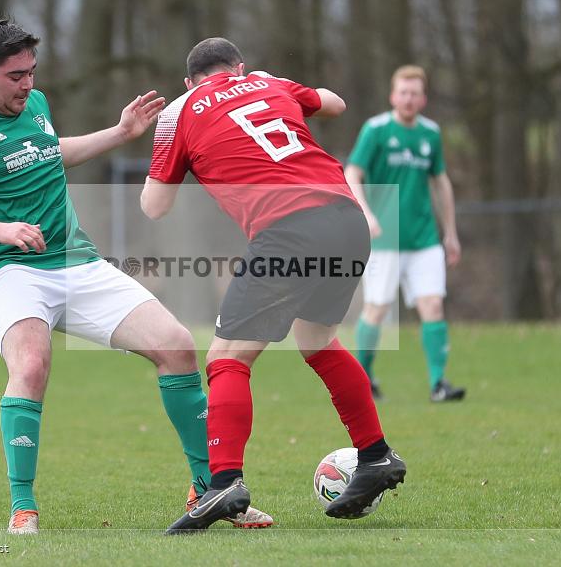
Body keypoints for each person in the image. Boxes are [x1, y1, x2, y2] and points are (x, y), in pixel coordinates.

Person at [0, 19, 272, 534]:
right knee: (32, 366)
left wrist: (121, 133)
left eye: (32, 73)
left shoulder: (32, 106)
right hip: (12, 271)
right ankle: (23, 508)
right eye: (16, 76)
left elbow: (50, 153)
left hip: (77, 263)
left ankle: (211, 491)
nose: (28, 85)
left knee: (177, 345)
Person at [142, 37, 406, 534]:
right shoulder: (264, 80)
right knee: (318, 341)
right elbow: (335, 103)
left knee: (226, 357)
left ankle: (223, 482)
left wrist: (168, 142)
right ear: (238, 67)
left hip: (289, 231)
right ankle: (374, 455)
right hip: (346, 220)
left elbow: (154, 206)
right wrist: (273, 87)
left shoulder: (179, 113)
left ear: (187, 82)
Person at [344, 65, 466, 403]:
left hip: (424, 238)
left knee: (432, 306)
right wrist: (366, 215)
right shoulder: (376, 130)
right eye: (403, 92)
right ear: (392, 95)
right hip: (384, 237)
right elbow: (352, 173)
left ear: (423, 99)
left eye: (415, 93)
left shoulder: (430, 133)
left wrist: (450, 232)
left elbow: (440, 182)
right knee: (377, 309)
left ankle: (438, 383)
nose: (409, 99)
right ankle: (363, 379)